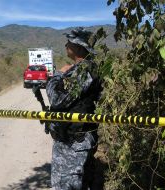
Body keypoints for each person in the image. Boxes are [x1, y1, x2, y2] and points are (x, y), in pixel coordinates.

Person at [46, 27, 103, 190]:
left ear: (77, 47)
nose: (65, 45)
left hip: (74, 142)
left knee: (66, 185)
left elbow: (57, 100)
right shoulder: (81, 69)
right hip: (71, 138)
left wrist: (55, 77)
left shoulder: (85, 71)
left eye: (68, 42)